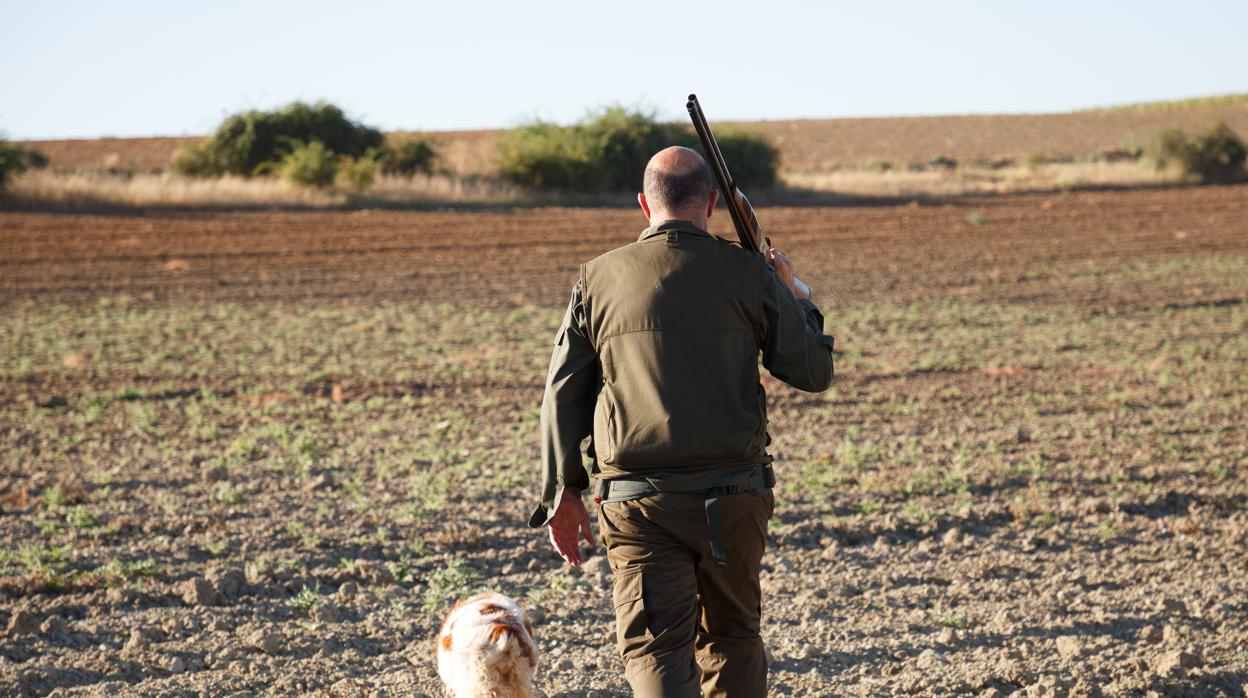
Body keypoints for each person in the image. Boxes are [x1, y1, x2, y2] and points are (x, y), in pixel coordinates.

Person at [528, 146, 834, 697]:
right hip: (735, 496)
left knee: (656, 650)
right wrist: (796, 296)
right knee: (734, 639)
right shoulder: (748, 271)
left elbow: (562, 394)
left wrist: (563, 492)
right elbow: (812, 370)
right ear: (712, 203)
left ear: (644, 203)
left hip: (638, 503)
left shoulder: (596, 279)